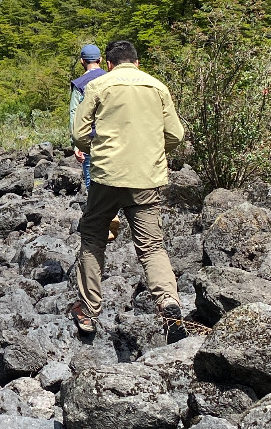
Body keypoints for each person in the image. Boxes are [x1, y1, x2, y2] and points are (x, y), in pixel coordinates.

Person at [68, 39, 186, 335]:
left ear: (108, 64)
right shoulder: (157, 87)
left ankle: (89, 311)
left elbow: (79, 134)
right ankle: (169, 304)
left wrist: (97, 147)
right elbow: (175, 134)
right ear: (137, 62)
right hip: (146, 177)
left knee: (93, 236)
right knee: (151, 246)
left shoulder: (98, 86)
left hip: (106, 176)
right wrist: (152, 152)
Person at [69, 44, 107, 188]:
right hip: (115, 140)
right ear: (101, 60)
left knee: (92, 186)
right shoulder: (112, 79)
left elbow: (74, 113)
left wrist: (76, 144)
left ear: (81, 61)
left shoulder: (79, 84)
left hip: (90, 140)